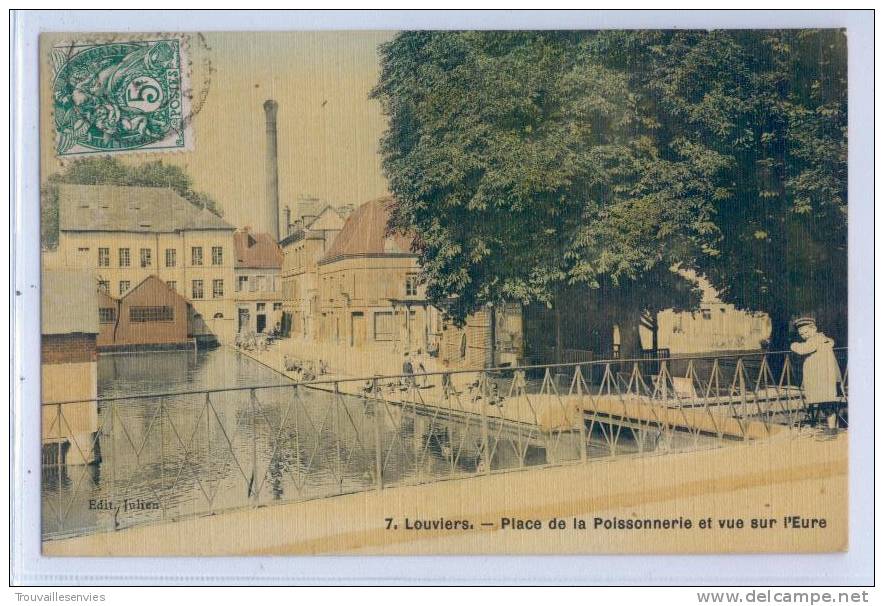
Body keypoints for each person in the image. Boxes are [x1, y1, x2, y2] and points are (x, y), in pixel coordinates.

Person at [790, 317, 843, 433]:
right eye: (801, 334)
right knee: (826, 402)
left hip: (823, 377)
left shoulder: (816, 339)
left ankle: (832, 429)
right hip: (823, 375)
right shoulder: (822, 339)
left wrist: (793, 345)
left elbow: (803, 349)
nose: (804, 335)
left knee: (827, 403)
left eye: (806, 332)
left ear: (814, 329)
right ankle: (832, 427)